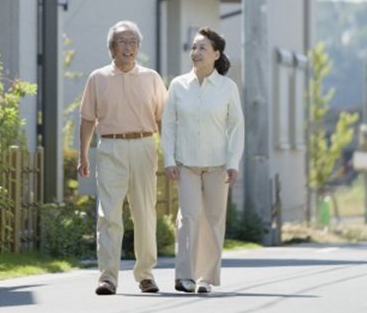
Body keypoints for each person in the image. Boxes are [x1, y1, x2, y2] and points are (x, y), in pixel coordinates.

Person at [78, 20, 166, 295]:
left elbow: (163, 120)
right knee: (109, 215)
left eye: (133, 42)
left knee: (144, 212)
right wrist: (83, 155)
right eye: (122, 42)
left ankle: (146, 275)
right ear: (111, 48)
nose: (128, 47)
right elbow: (87, 120)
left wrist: (170, 156)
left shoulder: (151, 77)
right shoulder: (98, 78)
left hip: (143, 145)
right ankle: (108, 277)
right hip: (110, 147)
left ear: (138, 47)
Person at [161, 27, 244, 294]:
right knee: (188, 218)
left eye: (202, 48)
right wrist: (169, 159)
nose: (195, 53)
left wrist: (233, 162)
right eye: (193, 47)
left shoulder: (227, 87)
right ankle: (184, 276)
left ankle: (205, 278)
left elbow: (236, 127)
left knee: (214, 220)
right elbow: (169, 125)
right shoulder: (177, 85)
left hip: (218, 165)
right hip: (186, 164)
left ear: (216, 54)